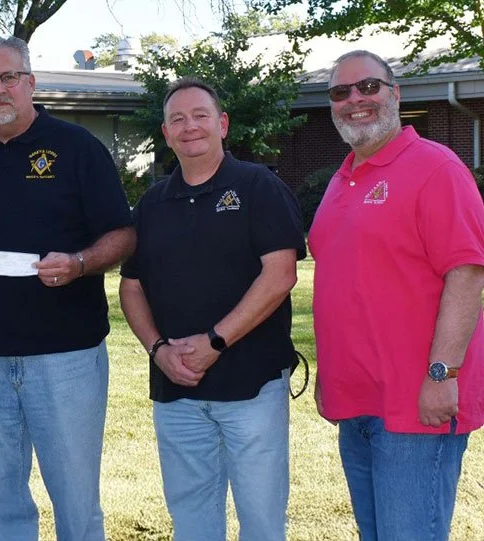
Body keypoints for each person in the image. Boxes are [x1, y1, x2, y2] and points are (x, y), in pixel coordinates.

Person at [0, 36, 135, 541]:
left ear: (31, 82)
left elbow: (121, 233)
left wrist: (79, 262)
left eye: (9, 77)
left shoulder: (78, 148)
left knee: (75, 496)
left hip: (66, 354)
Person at [119, 77, 306, 541]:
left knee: (261, 520)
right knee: (192, 521)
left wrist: (215, 341)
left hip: (251, 388)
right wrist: (157, 349)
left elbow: (280, 273)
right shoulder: (152, 203)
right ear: (165, 134)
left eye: (200, 115)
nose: (189, 127)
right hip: (177, 391)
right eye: (177, 119)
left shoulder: (258, 185)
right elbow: (132, 287)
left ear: (222, 124)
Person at [311, 50, 484, 541]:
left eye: (368, 87)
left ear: (395, 94)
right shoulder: (341, 180)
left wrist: (442, 374)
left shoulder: (434, 167)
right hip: (360, 402)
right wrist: (331, 374)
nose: (355, 100)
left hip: (417, 403)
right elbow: (344, 283)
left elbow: (467, 273)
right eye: (341, 92)